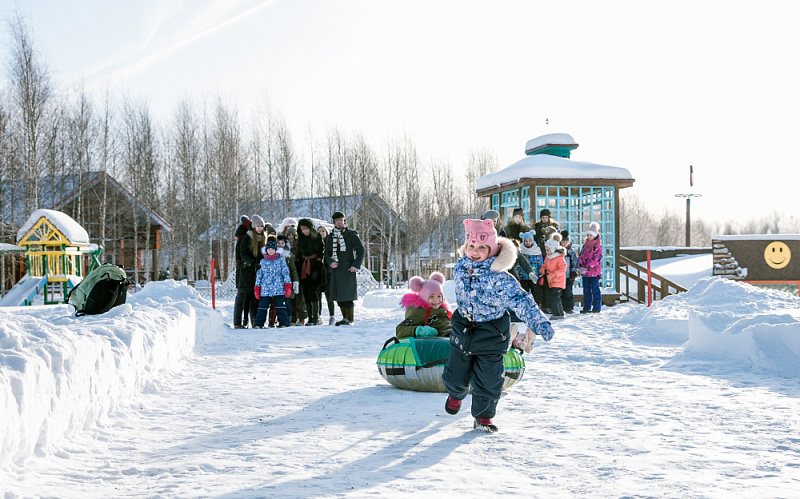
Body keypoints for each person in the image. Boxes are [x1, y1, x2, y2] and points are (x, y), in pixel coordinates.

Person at [443, 218, 555, 433]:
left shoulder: (501, 278)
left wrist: (539, 323)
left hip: (491, 332)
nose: (475, 252)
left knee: (489, 378)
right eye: (471, 246)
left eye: (481, 247)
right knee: (456, 375)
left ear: (492, 249)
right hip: (464, 328)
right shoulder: (460, 268)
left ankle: (483, 416)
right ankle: (456, 394)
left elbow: (521, 300)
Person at [324, 211, 365, 326]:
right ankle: (344, 318)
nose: (340, 223)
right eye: (337, 221)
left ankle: (350, 319)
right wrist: (331, 262)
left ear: (344, 221)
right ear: (334, 222)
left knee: (347, 295)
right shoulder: (332, 235)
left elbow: (361, 250)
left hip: (348, 269)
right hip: (336, 270)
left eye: (341, 220)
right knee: (338, 295)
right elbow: (327, 253)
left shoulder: (351, 234)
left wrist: (355, 265)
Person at [396, 272, 452, 339]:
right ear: (425, 296)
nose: (436, 300)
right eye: (431, 296)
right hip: (442, 339)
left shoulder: (443, 308)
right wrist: (419, 330)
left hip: (454, 334)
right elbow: (400, 330)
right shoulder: (419, 311)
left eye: (439, 296)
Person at [253, 235, 292, 328]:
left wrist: (288, 285)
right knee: (262, 307)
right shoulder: (262, 262)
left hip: (278, 288)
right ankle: (259, 323)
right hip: (265, 289)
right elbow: (259, 275)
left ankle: (283, 323)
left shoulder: (281, 261)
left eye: (272, 249)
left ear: (276, 250)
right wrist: (257, 287)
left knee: (280, 307)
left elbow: (285, 273)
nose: (271, 251)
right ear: (266, 250)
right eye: (269, 249)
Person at [236, 215, 265, 328]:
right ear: (253, 226)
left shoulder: (264, 237)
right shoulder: (247, 238)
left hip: (259, 271)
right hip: (247, 271)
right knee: (246, 298)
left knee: (257, 298)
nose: (260, 228)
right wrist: (253, 262)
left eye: (261, 226)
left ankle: (255, 321)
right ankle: (244, 320)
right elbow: (242, 254)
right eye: (258, 226)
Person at [295, 218, 325, 326]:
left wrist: (316, 269)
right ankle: (310, 317)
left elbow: (320, 253)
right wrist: (298, 269)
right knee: (306, 293)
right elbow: (298, 255)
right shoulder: (300, 239)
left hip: (314, 266)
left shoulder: (316, 237)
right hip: (304, 267)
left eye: (307, 229)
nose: (305, 231)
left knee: (313, 292)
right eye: (303, 229)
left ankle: (316, 317)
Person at [274, 235, 300, 327]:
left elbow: (293, 269)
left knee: (288, 302)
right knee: (279, 302)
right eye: (278, 243)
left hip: (288, 282)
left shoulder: (289, 255)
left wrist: (295, 281)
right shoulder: (272, 254)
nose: (280, 245)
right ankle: (280, 321)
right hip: (276, 283)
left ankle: (289, 320)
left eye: (282, 243)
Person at [578, 222, 603, 313]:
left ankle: (597, 307)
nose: (589, 236)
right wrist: (581, 266)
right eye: (587, 235)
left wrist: (587, 267)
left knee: (595, 290)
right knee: (586, 290)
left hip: (594, 272)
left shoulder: (598, 246)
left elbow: (596, 259)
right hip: (585, 273)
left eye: (590, 235)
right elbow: (581, 256)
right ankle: (587, 307)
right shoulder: (585, 246)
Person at [540, 233, 567, 320]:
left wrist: (553, 274)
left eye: (548, 250)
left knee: (554, 298)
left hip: (557, 281)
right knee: (553, 298)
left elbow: (562, 269)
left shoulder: (559, 258)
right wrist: (543, 270)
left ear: (553, 249)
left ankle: (558, 313)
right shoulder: (548, 257)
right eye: (546, 250)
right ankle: (559, 313)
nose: (547, 252)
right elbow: (544, 265)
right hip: (550, 281)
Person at [233, 215, 252, 328]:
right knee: (242, 297)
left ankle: (239, 321)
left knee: (244, 298)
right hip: (243, 272)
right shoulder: (243, 240)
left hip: (244, 271)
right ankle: (238, 322)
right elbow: (240, 257)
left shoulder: (241, 238)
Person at [317, 223, 337, 325]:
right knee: (318, 295)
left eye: (323, 231)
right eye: (319, 231)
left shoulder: (330, 243)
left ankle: (332, 316)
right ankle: (319, 316)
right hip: (318, 273)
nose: (321, 233)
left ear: (326, 232)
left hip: (329, 273)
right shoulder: (315, 244)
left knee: (329, 295)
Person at [518, 230, 544, 307]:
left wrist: (540, 274)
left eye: (529, 240)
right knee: (524, 293)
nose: (528, 242)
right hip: (523, 277)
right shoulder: (521, 251)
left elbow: (540, 264)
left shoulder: (536, 250)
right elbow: (519, 264)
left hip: (534, 277)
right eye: (526, 241)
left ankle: (536, 306)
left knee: (535, 294)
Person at [561, 230, 578, 314]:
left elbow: (575, 262)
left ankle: (569, 308)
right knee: (560, 292)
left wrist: (573, 273)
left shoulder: (571, 252)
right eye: (562, 242)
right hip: (560, 276)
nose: (564, 244)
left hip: (569, 275)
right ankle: (561, 307)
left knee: (568, 292)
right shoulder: (558, 251)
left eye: (566, 242)